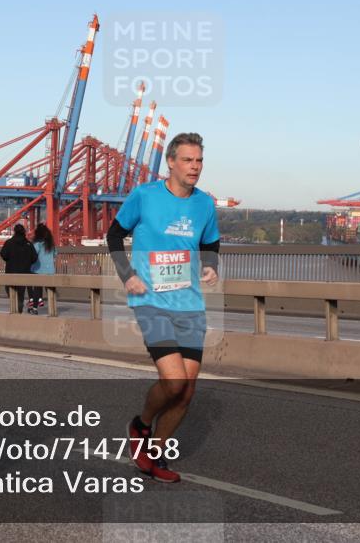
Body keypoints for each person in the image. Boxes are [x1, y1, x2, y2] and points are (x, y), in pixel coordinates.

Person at [106, 132, 220, 483]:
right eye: (188, 160)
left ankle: (154, 455)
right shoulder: (144, 195)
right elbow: (113, 235)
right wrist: (128, 276)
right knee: (173, 381)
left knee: (187, 391)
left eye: (199, 160)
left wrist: (210, 264)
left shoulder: (205, 203)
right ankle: (139, 426)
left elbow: (211, 241)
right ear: (170, 162)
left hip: (189, 304)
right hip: (151, 300)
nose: (195, 167)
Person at [0, 224, 37, 313]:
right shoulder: (28, 244)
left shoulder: (9, 243)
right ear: (24, 232)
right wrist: (27, 263)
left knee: (10, 290)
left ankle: (14, 309)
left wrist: (9, 259)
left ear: (14, 231)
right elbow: (34, 258)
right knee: (21, 294)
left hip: (10, 272)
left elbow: (3, 255)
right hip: (24, 273)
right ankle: (19, 307)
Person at [27, 223, 56, 315]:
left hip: (38, 270)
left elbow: (33, 255)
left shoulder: (38, 244)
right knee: (50, 290)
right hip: (50, 271)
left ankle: (34, 308)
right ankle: (52, 309)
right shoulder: (50, 245)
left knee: (37, 289)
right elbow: (55, 254)